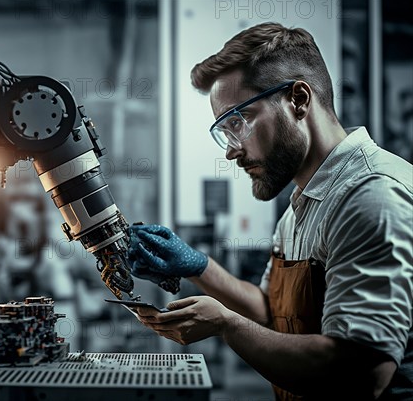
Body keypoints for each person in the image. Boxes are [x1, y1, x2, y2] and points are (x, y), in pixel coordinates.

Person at [127, 22, 413, 400]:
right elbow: (270, 310)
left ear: (298, 99)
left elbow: (361, 373)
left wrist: (227, 325)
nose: (230, 150)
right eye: (223, 131)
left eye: (238, 122)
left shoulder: (370, 195)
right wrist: (197, 266)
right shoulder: (299, 206)